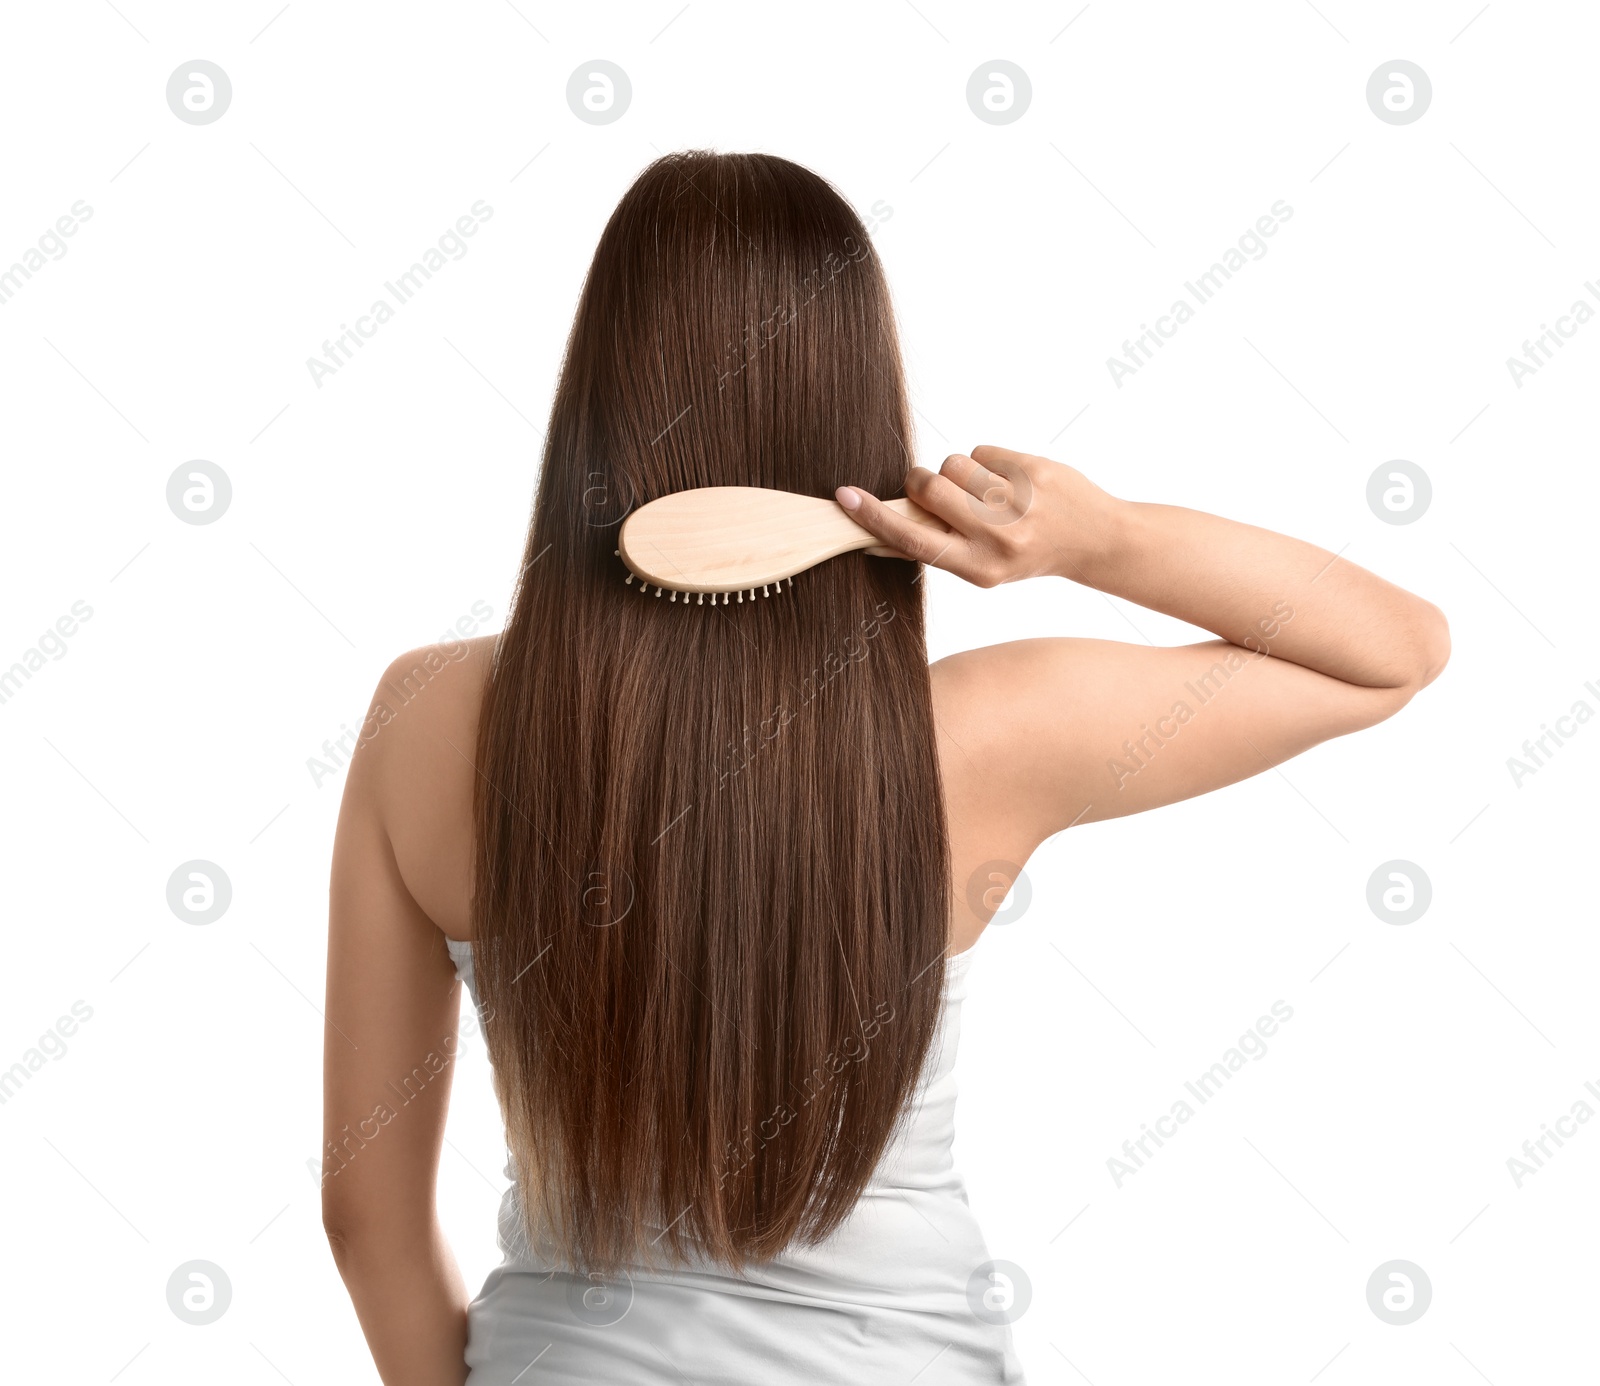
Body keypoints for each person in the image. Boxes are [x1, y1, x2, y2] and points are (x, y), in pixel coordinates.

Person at [320, 151, 1449, 1384]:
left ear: (596, 400)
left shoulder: (424, 720)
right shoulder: (986, 733)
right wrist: (1094, 537)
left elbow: (364, 1217)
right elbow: (1388, 655)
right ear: (857, 402)